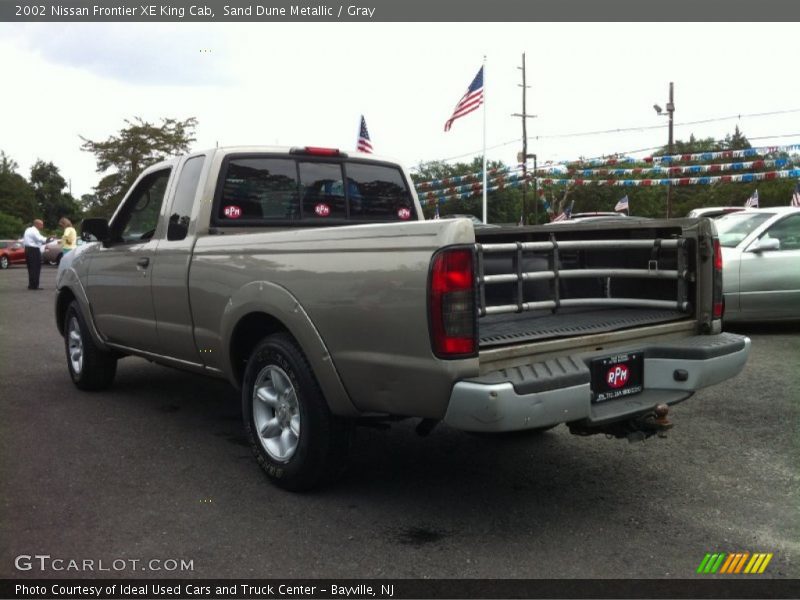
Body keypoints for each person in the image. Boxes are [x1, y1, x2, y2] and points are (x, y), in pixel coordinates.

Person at [23, 219, 47, 290]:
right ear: (37, 224)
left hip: (27, 249)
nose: (42, 226)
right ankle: (34, 285)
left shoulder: (28, 229)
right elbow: (40, 239)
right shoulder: (34, 231)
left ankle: (31, 284)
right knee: (36, 267)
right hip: (34, 250)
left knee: (30, 267)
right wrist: (49, 239)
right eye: (41, 224)